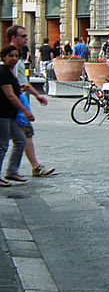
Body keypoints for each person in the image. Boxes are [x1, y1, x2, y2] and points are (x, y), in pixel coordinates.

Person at [7, 26, 53, 179]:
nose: (26, 38)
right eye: (23, 36)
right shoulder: (9, 56)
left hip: (19, 102)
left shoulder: (18, 56)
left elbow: (23, 81)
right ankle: (32, 167)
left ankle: (29, 168)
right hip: (14, 103)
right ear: (14, 37)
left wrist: (36, 95)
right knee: (22, 136)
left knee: (22, 136)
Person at [0, 46, 33, 187]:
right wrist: (25, 111)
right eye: (11, 56)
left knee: (20, 140)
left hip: (10, 114)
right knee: (2, 145)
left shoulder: (9, 72)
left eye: (16, 56)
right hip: (2, 114)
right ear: (4, 57)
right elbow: (10, 95)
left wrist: (20, 89)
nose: (14, 59)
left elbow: (12, 91)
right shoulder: (3, 72)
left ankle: (12, 171)